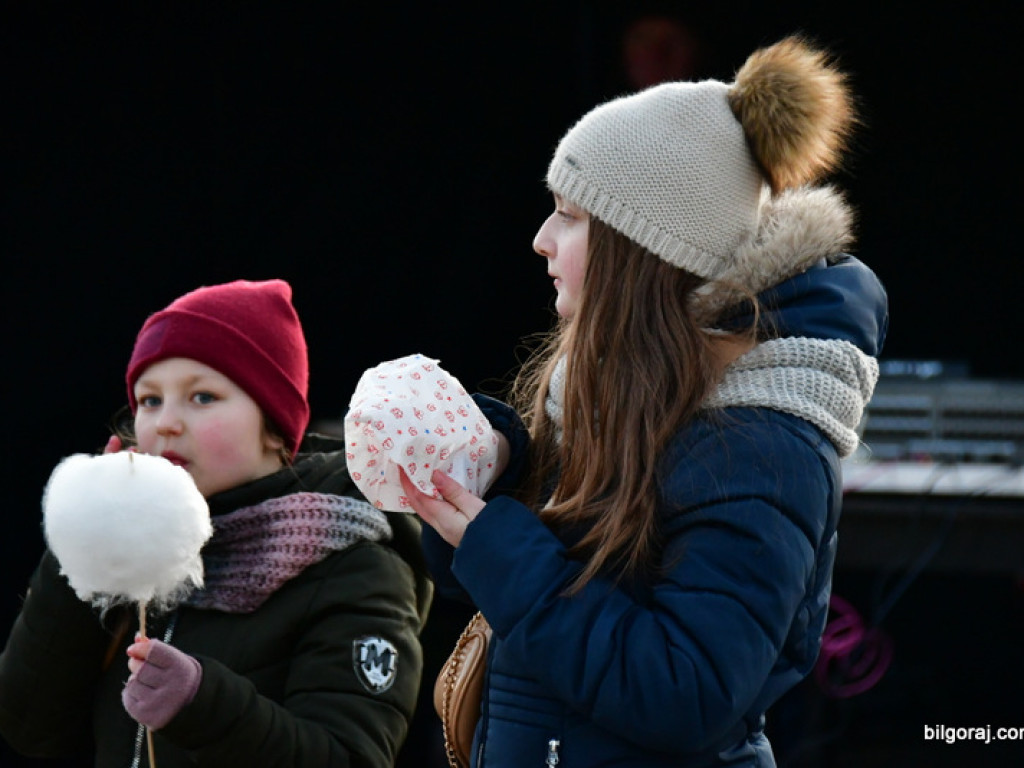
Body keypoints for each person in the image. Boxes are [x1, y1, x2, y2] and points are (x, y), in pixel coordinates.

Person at [399, 36, 888, 766]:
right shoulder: (609, 394)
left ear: (645, 251)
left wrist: (499, 545)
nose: (540, 240)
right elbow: (561, 571)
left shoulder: (759, 443)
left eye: (569, 214)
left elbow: (684, 692)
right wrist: (491, 469)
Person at [0, 279, 432, 767]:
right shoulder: (132, 545)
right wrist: (80, 549)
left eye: (202, 397)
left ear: (273, 429)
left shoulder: (353, 561)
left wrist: (204, 704)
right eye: (149, 400)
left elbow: (352, 757)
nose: (165, 423)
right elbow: (30, 729)